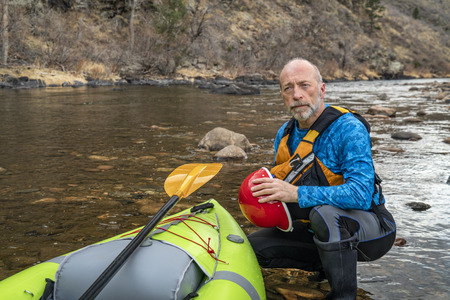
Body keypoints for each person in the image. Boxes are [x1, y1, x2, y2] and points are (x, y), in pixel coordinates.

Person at [246, 58, 396, 300]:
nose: (296, 94)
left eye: (304, 85)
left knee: (325, 215)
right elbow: (284, 190)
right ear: (282, 95)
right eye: (288, 88)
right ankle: (326, 266)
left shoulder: (348, 128)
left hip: (371, 230)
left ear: (322, 89)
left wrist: (295, 194)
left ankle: (343, 295)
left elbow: (360, 194)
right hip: (316, 230)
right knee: (252, 248)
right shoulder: (283, 134)